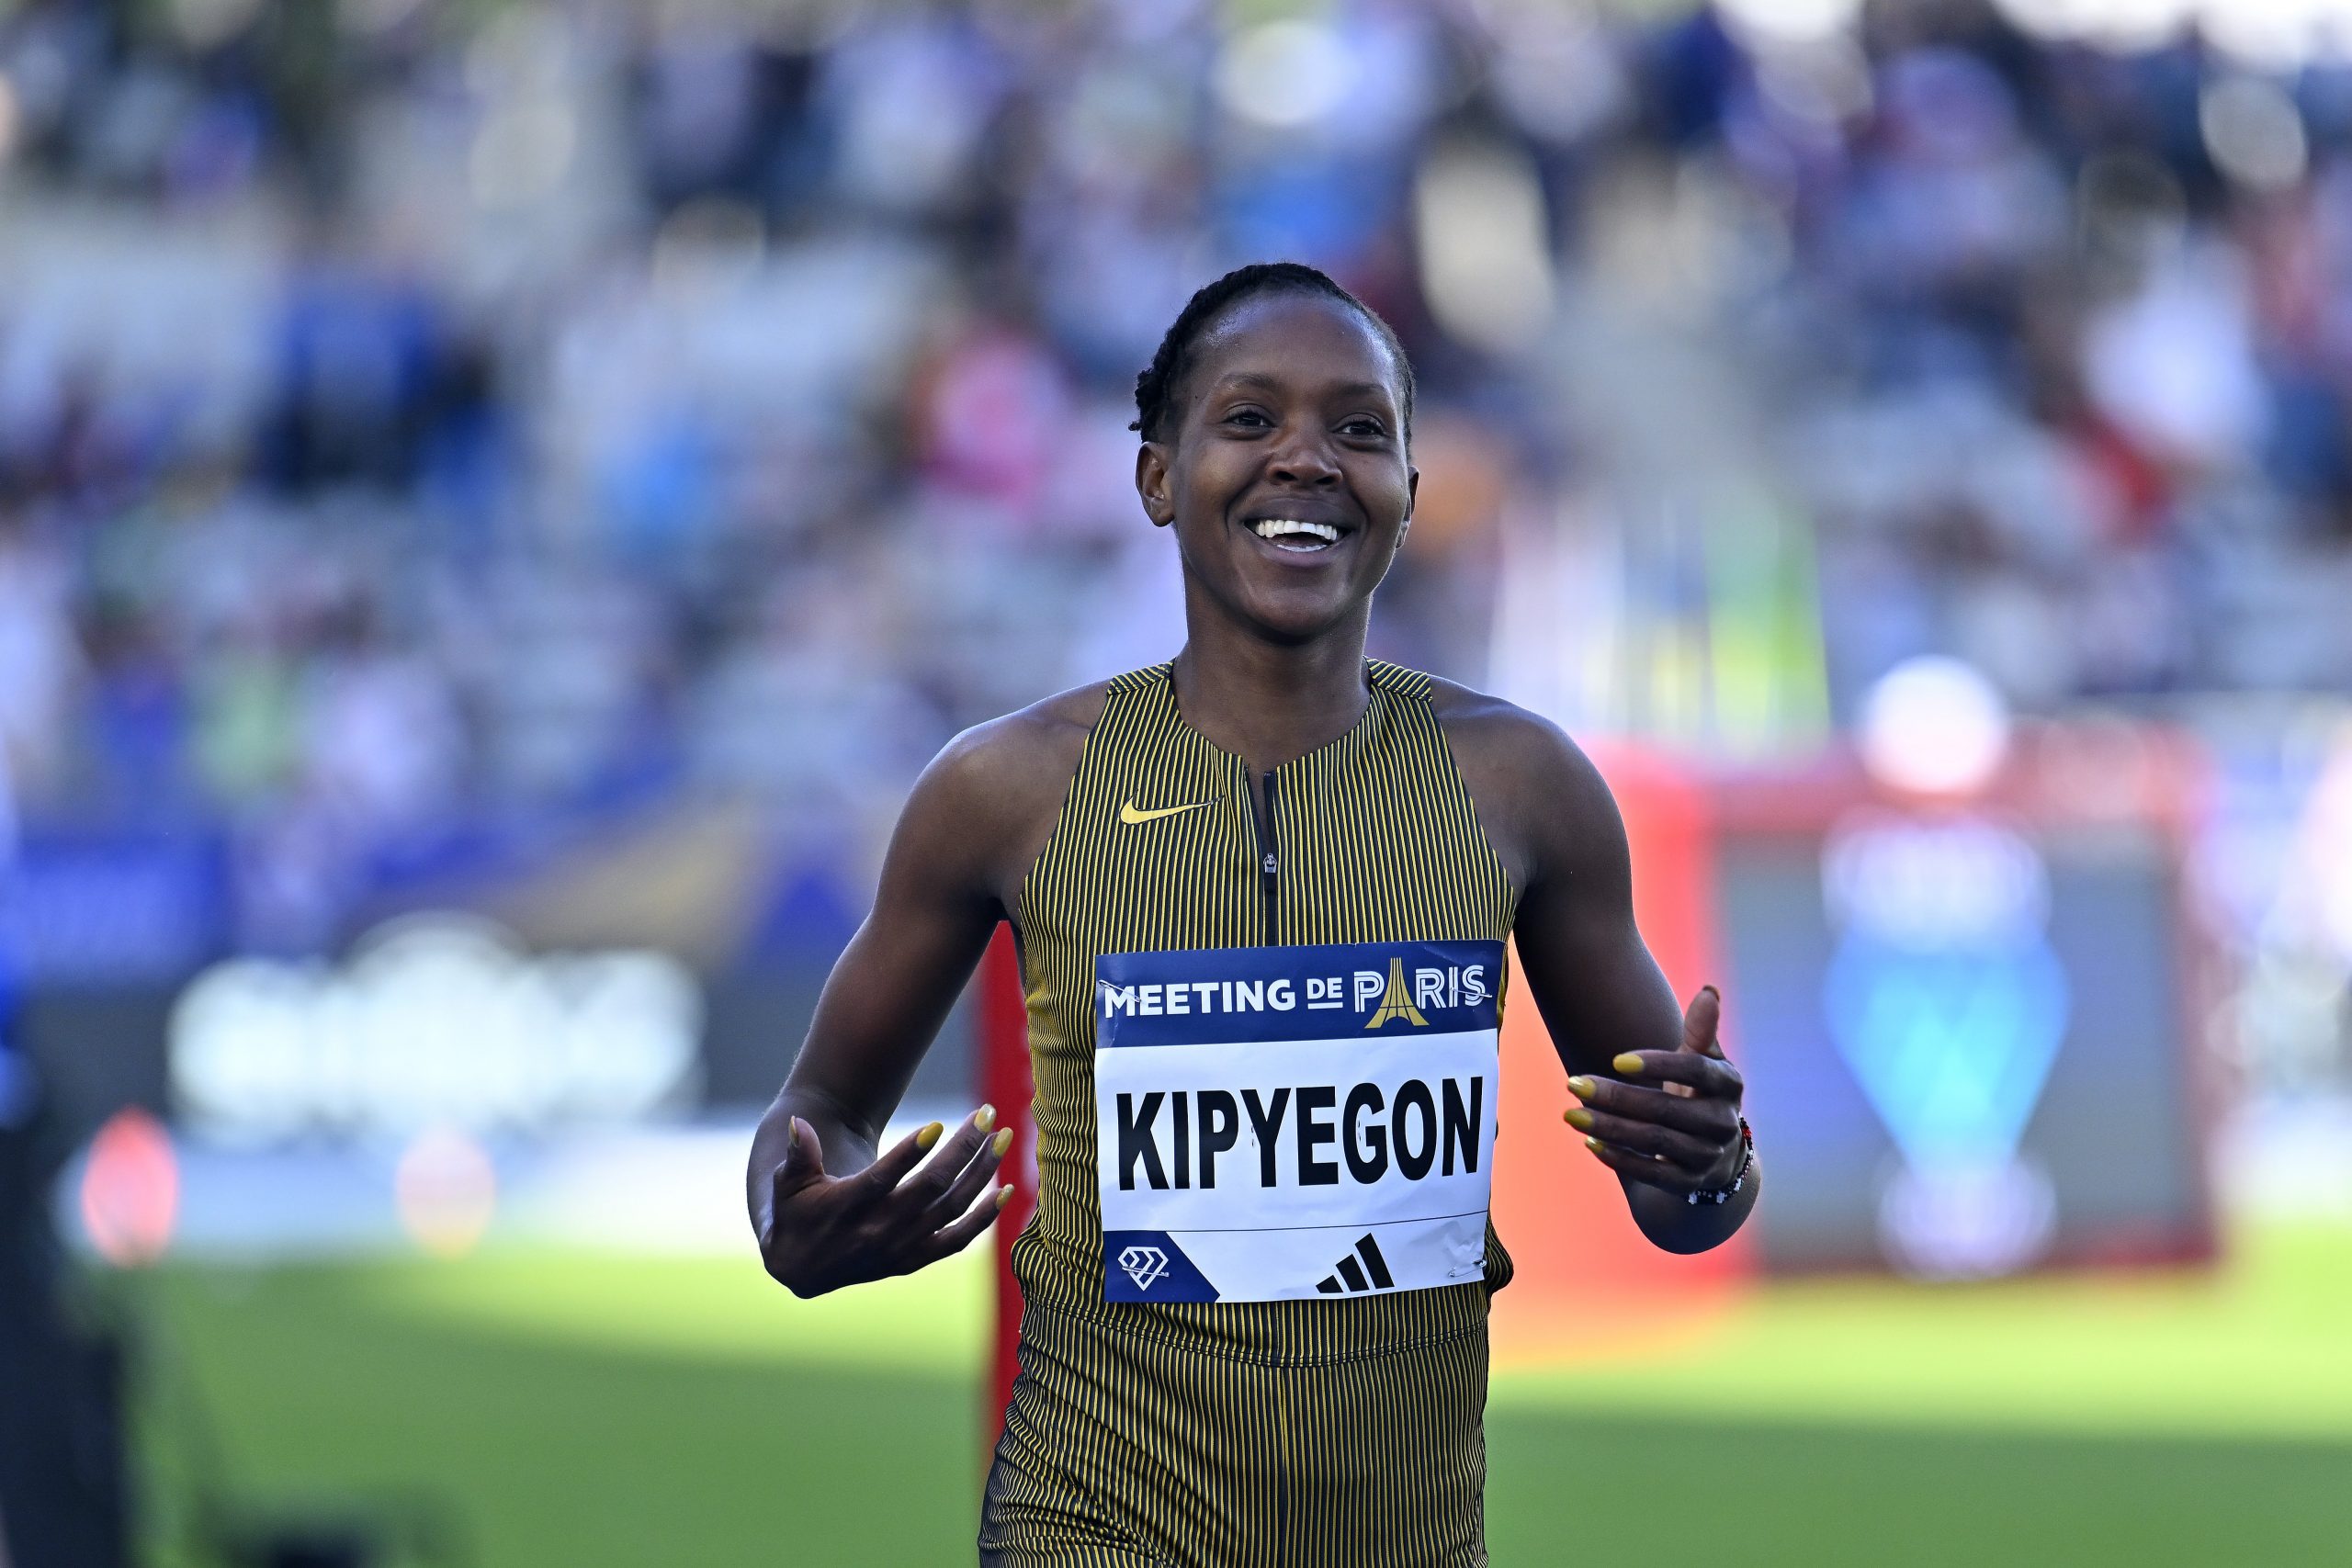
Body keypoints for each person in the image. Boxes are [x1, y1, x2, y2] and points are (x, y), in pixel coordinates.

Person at [746, 261, 1758, 1566]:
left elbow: (1687, 1203)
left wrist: (1708, 1163)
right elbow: (822, 1106)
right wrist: (796, 1216)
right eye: (1247, 420)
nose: (1307, 460)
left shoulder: (1524, 787)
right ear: (1158, 477)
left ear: (1408, 486)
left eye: (1359, 429)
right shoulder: (1006, 790)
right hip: (1092, 1521)